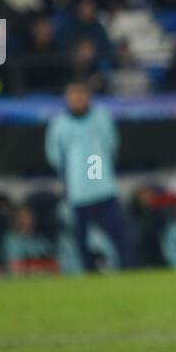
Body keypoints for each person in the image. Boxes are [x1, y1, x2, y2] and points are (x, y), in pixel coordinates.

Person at [44, 81, 129, 271]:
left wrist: (96, 171)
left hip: (102, 186)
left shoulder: (101, 116)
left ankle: (125, 267)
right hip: (79, 190)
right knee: (81, 237)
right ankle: (89, 271)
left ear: (88, 97)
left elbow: (111, 144)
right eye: (72, 97)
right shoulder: (60, 123)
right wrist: (70, 174)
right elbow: (54, 155)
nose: (77, 101)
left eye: (80, 96)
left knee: (117, 232)